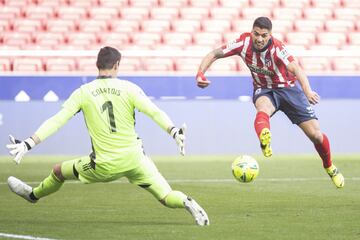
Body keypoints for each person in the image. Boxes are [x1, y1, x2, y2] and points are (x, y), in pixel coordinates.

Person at [6, 46, 209, 226]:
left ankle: (33, 195)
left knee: (58, 171)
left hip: (104, 164)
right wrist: (173, 131)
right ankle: (186, 201)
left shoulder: (83, 92)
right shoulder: (129, 88)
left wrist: (28, 143)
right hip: (136, 159)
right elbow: (154, 112)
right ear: (117, 65)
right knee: (166, 196)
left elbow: (57, 120)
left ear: (97, 64)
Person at [195, 17, 344, 188]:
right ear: (251, 32)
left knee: (316, 135)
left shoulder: (278, 48)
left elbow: (296, 69)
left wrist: (307, 90)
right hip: (264, 89)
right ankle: (265, 139)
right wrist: (200, 73)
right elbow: (214, 54)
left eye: (264, 35)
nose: (259, 39)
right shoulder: (243, 43)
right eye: (256, 34)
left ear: (270, 35)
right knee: (263, 108)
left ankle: (330, 167)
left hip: (288, 90)